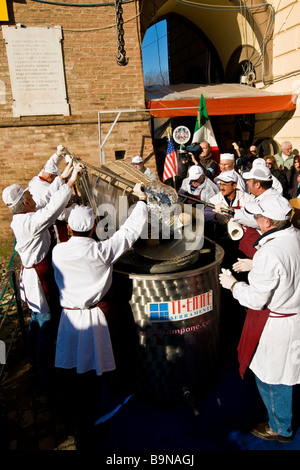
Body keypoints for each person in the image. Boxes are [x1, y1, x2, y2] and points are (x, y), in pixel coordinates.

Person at [51, 184, 148, 446]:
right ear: (93, 228)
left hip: (68, 319)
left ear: (70, 229)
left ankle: (76, 422)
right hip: (93, 319)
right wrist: (141, 201)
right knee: (91, 377)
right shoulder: (100, 252)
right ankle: (87, 430)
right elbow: (127, 234)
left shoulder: (58, 251)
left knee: (73, 372)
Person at [219, 195, 300, 443]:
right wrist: (256, 266)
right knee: (283, 373)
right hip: (293, 314)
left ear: (266, 221)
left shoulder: (270, 253)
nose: (255, 220)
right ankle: (281, 421)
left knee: (272, 378)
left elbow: (255, 300)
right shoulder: (295, 235)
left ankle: (280, 427)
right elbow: (287, 267)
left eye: (257, 217)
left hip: (278, 324)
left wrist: (233, 286)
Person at [1, 162, 84, 388]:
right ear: (25, 202)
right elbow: (50, 211)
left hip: (36, 274)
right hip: (38, 278)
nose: (32, 195)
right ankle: (43, 373)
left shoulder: (25, 216)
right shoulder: (28, 222)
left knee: (36, 321)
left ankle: (33, 358)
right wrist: (70, 182)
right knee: (45, 323)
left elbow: (47, 199)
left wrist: (64, 176)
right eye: (28, 194)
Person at [231, 163, 281, 258]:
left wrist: (232, 212)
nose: (246, 183)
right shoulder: (261, 196)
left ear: (257, 184)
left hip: (260, 252)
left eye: (249, 180)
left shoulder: (273, 200)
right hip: (249, 248)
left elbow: (257, 221)